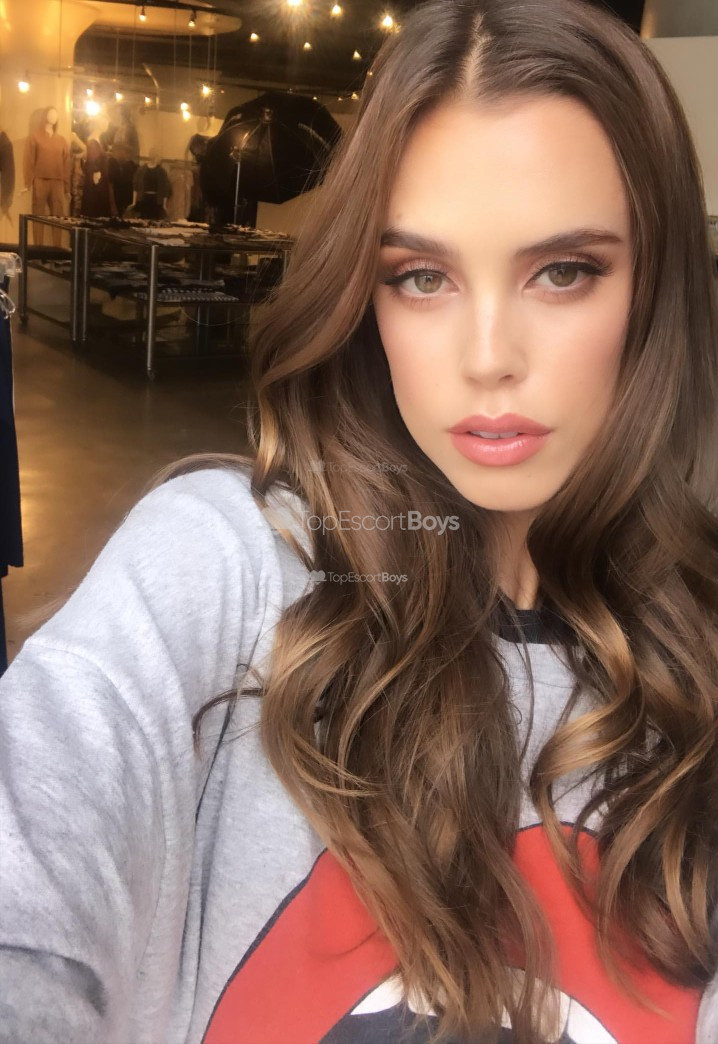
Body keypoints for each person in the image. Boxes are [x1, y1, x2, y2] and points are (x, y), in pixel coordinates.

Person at [1, 0, 718, 1041]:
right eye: (421, 278)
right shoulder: (231, 568)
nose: (487, 357)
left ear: (653, 289)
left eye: (562, 272)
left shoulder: (697, 661)